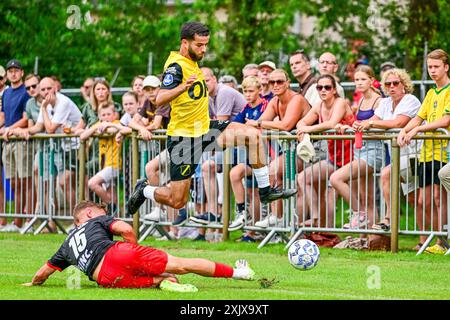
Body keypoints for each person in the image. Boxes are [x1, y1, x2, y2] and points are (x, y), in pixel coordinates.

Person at [126, 21, 296, 218]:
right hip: (184, 139)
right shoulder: (176, 67)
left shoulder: (193, 64)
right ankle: (144, 190)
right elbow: (160, 97)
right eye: (199, 45)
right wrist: (182, 87)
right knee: (177, 200)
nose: (204, 49)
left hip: (204, 129)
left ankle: (266, 191)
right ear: (184, 43)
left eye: (206, 44)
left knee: (252, 135)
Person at [23, 200, 255, 291]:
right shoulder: (96, 219)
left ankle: (166, 283)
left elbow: (43, 272)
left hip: (106, 279)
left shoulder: (65, 244)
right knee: (182, 265)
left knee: (162, 278)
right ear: (90, 213)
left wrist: (31, 283)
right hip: (118, 255)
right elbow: (126, 230)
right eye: (105, 212)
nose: (107, 214)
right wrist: (133, 250)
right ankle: (239, 273)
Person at [397, 49, 450, 254]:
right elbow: (418, 117)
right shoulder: (430, 93)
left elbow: (446, 120)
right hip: (427, 152)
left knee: (439, 198)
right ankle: (432, 239)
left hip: (443, 152)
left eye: (436, 66)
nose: (432, 71)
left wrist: (417, 129)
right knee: (423, 200)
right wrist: (405, 129)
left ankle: (442, 241)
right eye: (430, 67)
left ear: (446, 67)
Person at [245, 68, 310, 228]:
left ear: (288, 83)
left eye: (279, 81)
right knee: (273, 172)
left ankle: (291, 222)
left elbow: (286, 125)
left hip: (311, 151)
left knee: (275, 170)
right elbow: (259, 123)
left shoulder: (297, 99)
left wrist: (259, 123)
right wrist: (259, 124)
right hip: (292, 150)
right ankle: (279, 218)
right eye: (272, 82)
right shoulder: (275, 101)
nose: (275, 85)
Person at [296, 74, 354, 228]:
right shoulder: (318, 106)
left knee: (363, 198)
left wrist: (307, 129)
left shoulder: (340, 102)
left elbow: (331, 123)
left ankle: (364, 232)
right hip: (335, 157)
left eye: (327, 87)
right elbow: (301, 122)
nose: (323, 90)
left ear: (334, 90)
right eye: (319, 87)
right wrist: (302, 128)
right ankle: (315, 219)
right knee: (302, 178)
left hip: (354, 155)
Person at [329, 65, 382, 229]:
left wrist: (353, 127)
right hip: (359, 149)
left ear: (371, 80)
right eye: (356, 79)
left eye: (363, 79)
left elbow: (375, 125)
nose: (358, 83)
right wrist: (344, 126)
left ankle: (359, 213)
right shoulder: (361, 100)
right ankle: (369, 239)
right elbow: (356, 124)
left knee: (336, 178)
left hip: (373, 151)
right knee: (367, 197)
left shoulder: (378, 100)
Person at [22, 77, 82, 213]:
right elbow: (38, 127)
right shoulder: (47, 105)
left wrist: (42, 107)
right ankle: (61, 220)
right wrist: (21, 131)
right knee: (62, 183)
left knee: (68, 183)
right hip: (63, 147)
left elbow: (50, 129)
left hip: (77, 146)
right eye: (42, 89)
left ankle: (78, 220)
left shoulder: (63, 102)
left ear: (55, 88)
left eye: (49, 88)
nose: (46, 92)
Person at [228, 76, 268, 240]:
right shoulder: (245, 108)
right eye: (245, 91)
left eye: (251, 91)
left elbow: (264, 126)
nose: (248, 94)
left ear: (259, 90)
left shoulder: (266, 105)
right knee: (236, 175)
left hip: (265, 156)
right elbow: (232, 128)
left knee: (258, 193)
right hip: (249, 158)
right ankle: (242, 212)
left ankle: (256, 230)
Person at [0, 59, 31, 232]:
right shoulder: (6, 93)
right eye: (10, 70)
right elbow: (4, 116)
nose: (13, 73)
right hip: (7, 141)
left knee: (24, 181)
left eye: (16, 70)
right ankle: (15, 222)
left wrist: (10, 129)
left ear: (21, 73)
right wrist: (3, 129)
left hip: (20, 141)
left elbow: (26, 118)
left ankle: (21, 222)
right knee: (13, 183)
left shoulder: (25, 93)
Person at [81, 103, 121, 214]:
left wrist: (105, 126)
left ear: (114, 115)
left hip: (114, 164)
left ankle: (111, 205)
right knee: (111, 191)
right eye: (103, 115)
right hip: (104, 164)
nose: (106, 117)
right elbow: (83, 136)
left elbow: (112, 131)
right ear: (99, 116)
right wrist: (95, 127)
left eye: (109, 114)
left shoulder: (116, 124)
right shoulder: (98, 124)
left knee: (92, 183)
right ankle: (116, 215)